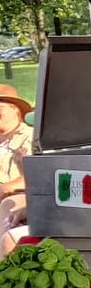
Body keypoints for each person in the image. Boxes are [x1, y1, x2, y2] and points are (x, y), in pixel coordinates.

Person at [0, 85, 34, 255]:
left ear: (15, 110)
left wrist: (6, 187)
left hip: (15, 194)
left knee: (7, 204)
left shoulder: (29, 136)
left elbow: (37, 173)